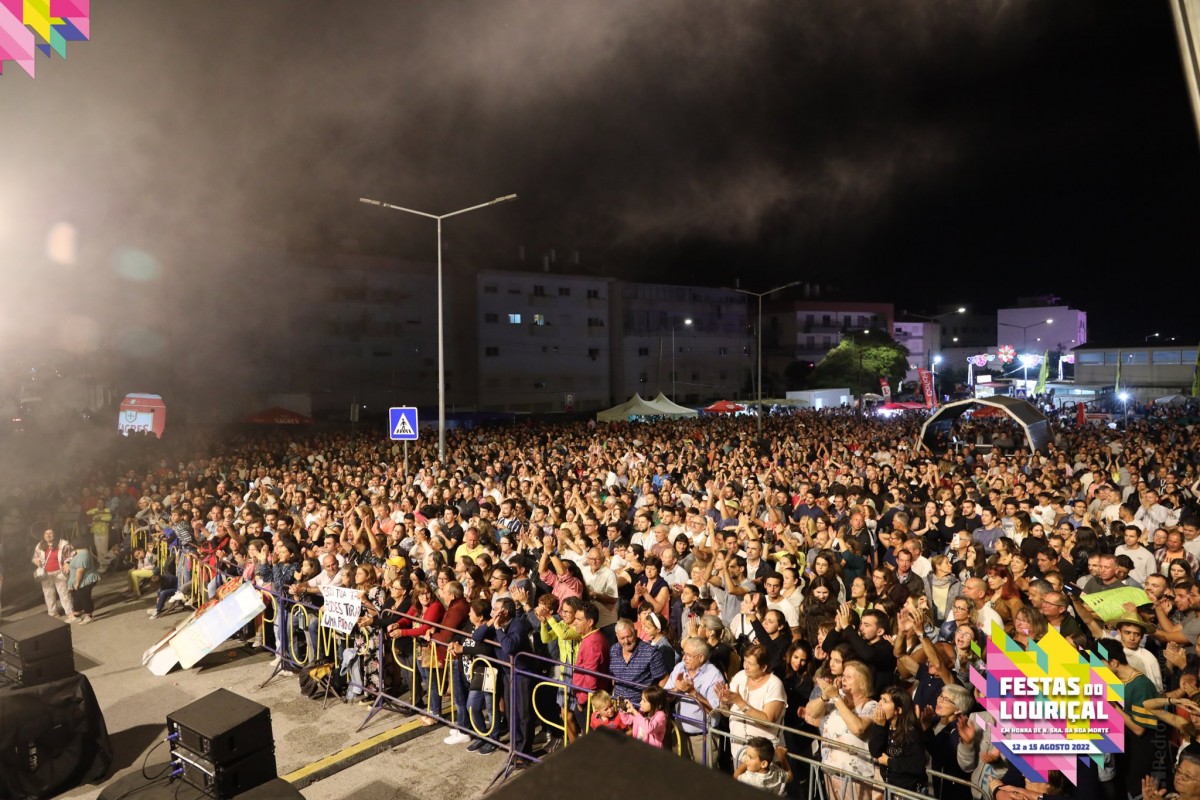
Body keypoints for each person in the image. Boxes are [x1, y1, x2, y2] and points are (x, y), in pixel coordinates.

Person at [666, 636, 726, 765]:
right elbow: (665, 697)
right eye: (684, 653)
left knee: (703, 780)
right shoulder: (680, 668)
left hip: (702, 738)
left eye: (689, 655)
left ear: (701, 658)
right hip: (679, 734)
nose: (684, 658)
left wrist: (693, 693)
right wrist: (675, 689)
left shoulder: (714, 676)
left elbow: (714, 712)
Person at [864, 685, 928, 793]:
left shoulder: (911, 732)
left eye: (885, 701)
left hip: (910, 791)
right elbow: (875, 752)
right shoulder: (884, 725)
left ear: (898, 710)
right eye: (881, 698)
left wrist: (889, 762)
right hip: (890, 788)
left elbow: (917, 765)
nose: (879, 703)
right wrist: (878, 727)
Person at [32, 528, 75, 621]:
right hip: (46, 574)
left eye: (50, 533)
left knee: (64, 593)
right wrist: (36, 561)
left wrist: (67, 563)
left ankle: (70, 613)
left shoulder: (63, 544)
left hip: (60, 573)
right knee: (48, 594)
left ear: (55, 534)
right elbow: (35, 557)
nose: (48, 535)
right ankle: (53, 614)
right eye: (46, 533)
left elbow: (72, 554)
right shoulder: (40, 545)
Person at [67, 534, 102, 624]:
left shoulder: (83, 554)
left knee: (84, 597)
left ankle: (89, 615)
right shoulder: (77, 553)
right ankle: (77, 615)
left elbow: (80, 570)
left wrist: (77, 583)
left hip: (85, 580)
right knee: (76, 597)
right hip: (78, 580)